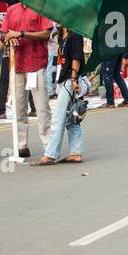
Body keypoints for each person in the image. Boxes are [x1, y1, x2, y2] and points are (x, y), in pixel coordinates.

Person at [1, 0, 53, 156]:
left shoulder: (41, 7)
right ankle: (21, 145)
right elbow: (3, 35)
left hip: (35, 63)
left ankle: (49, 145)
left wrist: (22, 34)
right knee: (18, 107)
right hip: (16, 64)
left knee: (42, 107)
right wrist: (9, 37)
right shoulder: (12, 10)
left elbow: (46, 33)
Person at [36, 24, 86, 165]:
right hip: (63, 79)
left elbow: (77, 58)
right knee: (72, 118)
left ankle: (50, 154)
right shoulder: (61, 36)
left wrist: (74, 79)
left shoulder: (75, 35)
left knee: (58, 118)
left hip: (69, 80)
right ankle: (76, 152)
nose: (56, 20)